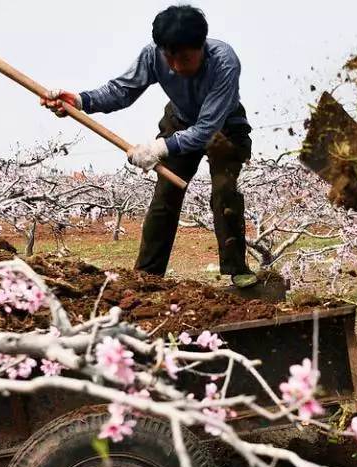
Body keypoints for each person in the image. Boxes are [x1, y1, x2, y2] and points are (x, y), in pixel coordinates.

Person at [42, 4, 258, 289]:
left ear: (202, 46)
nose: (177, 67)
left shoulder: (224, 61)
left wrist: (158, 148)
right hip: (179, 120)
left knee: (224, 191)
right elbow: (122, 91)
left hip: (224, 126)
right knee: (165, 195)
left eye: (185, 58)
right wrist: (80, 101)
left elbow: (206, 129)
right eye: (170, 58)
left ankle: (237, 269)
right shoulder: (153, 54)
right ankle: (147, 276)